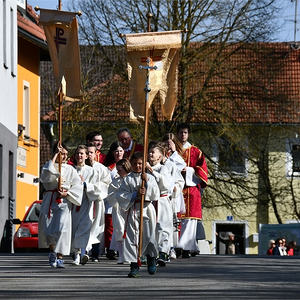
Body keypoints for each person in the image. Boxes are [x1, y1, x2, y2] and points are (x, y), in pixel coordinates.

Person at [39, 142, 83, 268]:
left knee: (62, 229)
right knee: (49, 230)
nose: (64, 157)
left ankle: (60, 256)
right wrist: (54, 156)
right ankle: (52, 251)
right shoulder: (49, 165)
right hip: (50, 200)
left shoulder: (70, 169)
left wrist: (67, 193)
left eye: (65, 154)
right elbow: (46, 176)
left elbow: (77, 186)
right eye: (61, 154)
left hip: (63, 202)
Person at [118, 152, 160, 278]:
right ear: (131, 164)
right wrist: (134, 195)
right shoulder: (128, 179)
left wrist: (147, 185)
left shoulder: (149, 177)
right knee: (133, 238)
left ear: (144, 164)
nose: (137, 166)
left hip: (147, 208)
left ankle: (151, 258)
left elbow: (155, 194)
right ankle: (134, 264)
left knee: (149, 235)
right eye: (135, 163)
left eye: (140, 163)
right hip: (134, 209)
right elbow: (121, 195)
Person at [176, 123, 208, 258]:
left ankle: (187, 246)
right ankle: (178, 245)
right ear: (177, 134)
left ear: (188, 134)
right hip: (176, 189)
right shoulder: (172, 150)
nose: (183, 135)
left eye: (185, 133)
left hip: (191, 188)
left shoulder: (196, 151)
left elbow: (202, 169)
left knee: (190, 220)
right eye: (181, 132)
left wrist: (189, 170)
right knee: (177, 220)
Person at [71, 145, 102, 265]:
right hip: (73, 202)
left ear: (86, 156)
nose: (80, 156)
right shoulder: (71, 169)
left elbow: (96, 188)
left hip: (86, 201)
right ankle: (76, 254)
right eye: (78, 153)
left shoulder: (91, 171)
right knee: (74, 228)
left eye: (82, 154)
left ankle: (83, 252)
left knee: (84, 227)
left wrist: (85, 184)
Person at [146, 143, 172, 266]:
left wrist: (152, 172)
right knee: (150, 228)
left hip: (161, 201)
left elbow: (165, 184)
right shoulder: (145, 169)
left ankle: (163, 252)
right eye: (149, 152)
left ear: (160, 156)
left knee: (163, 227)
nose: (150, 154)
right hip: (150, 202)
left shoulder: (163, 168)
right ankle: (151, 253)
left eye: (153, 152)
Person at [86, 144, 111, 262]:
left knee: (96, 227)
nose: (88, 155)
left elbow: (106, 184)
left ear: (96, 154)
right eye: (87, 152)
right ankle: (82, 252)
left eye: (91, 152)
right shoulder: (81, 168)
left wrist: (93, 189)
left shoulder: (101, 168)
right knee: (83, 225)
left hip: (97, 201)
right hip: (84, 202)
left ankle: (95, 253)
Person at [105, 158, 132, 264]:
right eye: (117, 170)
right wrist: (118, 196)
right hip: (118, 209)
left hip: (129, 209)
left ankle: (129, 255)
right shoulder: (115, 181)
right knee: (119, 232)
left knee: (129, 232)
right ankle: (121, 255)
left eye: (120, 170)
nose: (117, 172)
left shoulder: (131, 179)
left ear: (126, 168)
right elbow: (110, 195)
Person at [103, 141, 125, 259]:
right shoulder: (109, 168)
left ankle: (121, 249)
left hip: (125, 201)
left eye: (121, 151)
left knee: (122, 226)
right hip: (112, 200)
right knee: (111, 226)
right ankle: (110, 249)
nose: (119, 153)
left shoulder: (127, 166)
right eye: (116, 151)